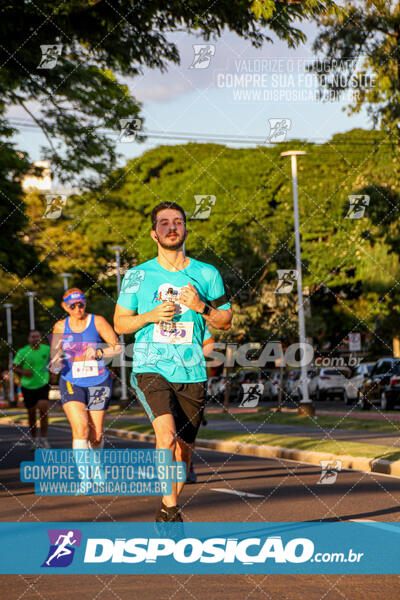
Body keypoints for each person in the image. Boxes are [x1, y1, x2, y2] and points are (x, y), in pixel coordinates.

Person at [114, 201, 232, 522]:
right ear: (154, 233)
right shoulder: (138, 276)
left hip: (192, 370)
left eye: (177, 222)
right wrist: (150, 315)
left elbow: (225, 321)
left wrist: (201, 306)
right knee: (165, 436)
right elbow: (120, 324)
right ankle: (170, 509)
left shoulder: (207, 274)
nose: (171, 227)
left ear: (185, 230)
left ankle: (170, 502)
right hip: (151, 366)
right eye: (164, 223)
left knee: (184, 452)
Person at [50, 288, 121, 450]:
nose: (77, 309)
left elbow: (118, 348)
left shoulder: (97, 321)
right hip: (72, 381)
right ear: (65, 307)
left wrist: (99, 352)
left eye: (80, 305)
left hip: (99, 381)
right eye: (72, 306)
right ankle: (84, 476)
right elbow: (54, 360)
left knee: (96, 436)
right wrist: (56, 361)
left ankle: (96, 471)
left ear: (85, 303)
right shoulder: (60, 326)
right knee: (81, 429)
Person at [13, 330, 51, 449]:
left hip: (43, 384)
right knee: (32, 414)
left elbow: (55, 360)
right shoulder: (23, 351)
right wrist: (23, 372)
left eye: (37, 336)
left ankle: (44, 439)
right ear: (29, 339)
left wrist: (53, 370)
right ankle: (34, 440)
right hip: (28, 386)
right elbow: (14, 367)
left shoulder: (47, 349)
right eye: (33, 337)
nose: (35, 339)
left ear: (40, 338)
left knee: (44, 410)